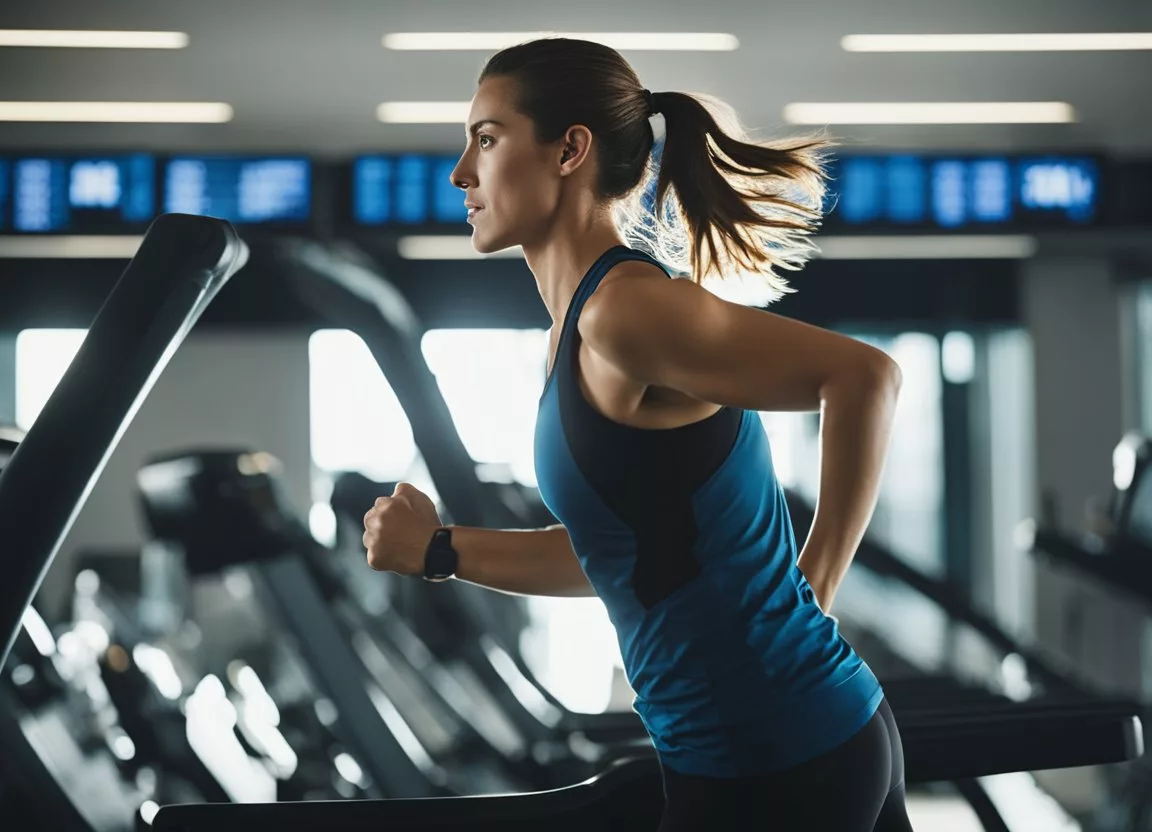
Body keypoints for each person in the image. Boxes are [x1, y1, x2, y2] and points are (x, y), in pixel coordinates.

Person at [361, 37, 911, 831]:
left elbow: (865, 378)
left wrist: (814, 586)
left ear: (569, 150)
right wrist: (440, 551)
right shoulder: (578, 331)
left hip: (773, 755)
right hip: (759, 746)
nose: (461, 173)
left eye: (486, 138)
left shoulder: (626, 312)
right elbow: (616, 553)